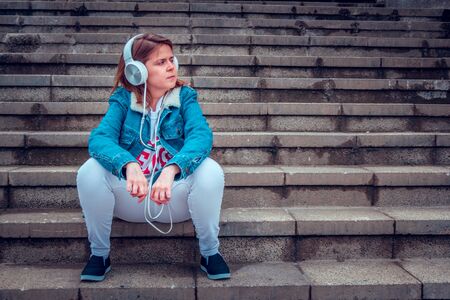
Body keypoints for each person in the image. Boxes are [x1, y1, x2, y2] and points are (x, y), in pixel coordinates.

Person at [76, 32, 231, 282]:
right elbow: (100, 139)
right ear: (137, 70)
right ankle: (99, 255)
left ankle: (210, 253)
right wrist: (128, 165)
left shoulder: (185, 97)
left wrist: (171, 170)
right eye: (161, 62)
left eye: (172, 59)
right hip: (132, 199)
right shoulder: (123, 100)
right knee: (89, 170)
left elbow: (200, 136)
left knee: (210, 169)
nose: (171, 67)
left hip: (173, 199)